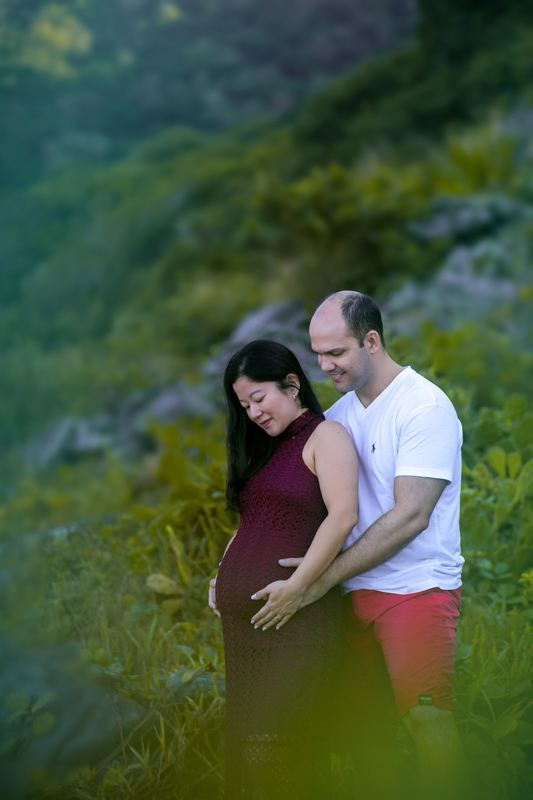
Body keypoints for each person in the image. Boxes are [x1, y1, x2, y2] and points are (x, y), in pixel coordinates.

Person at [251, 292, 466, 800]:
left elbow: (410, 515)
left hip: (413, 590)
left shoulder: (424, 406)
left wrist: (317, 579)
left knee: (427, 721)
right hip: (347, 594)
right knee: (361, 735)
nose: (324, 366)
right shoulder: (339, 417)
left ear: (371, 341)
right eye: (317, 354)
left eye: (337, 353)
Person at [210, 339, 359, 800]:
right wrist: (221, 574)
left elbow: (342, 516)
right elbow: (251, 521)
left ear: (292, 384)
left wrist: (297, 585)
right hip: (248, 628)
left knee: (277, 741)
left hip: (297, 617)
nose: (252, 413)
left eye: (259, 398)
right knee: (256, 745)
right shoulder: (267, 453)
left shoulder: (326, 436)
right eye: (243, 405)